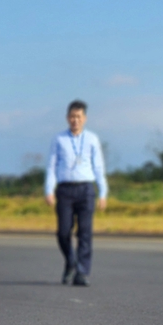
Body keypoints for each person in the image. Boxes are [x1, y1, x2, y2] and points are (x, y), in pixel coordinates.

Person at [44, 100, 109, 287]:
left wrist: (103, 192)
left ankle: (82, 272)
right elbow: (51, 166)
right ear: (67, 118)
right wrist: (49, 189)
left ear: (84, 118)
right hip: (65, 189)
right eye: (72, 116)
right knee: (63, 232)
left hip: (86, 189)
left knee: (85, 233)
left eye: (79, 117)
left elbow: (99, 167)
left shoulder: (92, 139)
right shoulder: (59, 139)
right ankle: (71, 261)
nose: (75, 120)